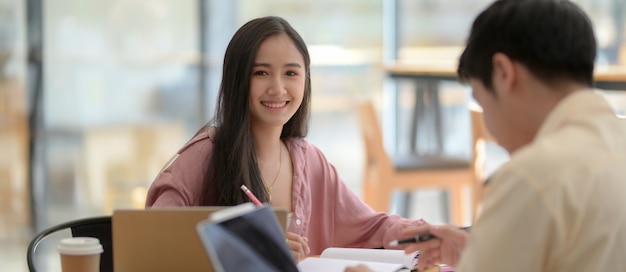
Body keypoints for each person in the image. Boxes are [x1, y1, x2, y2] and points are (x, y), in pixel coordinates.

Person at [346, 0, 626, 271]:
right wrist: (480, 254)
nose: (493, 131)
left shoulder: (533, 175)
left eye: (482, 104)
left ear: (504, 73)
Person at [144, 16, 422, 262]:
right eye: (261, 73)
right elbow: (149, 242)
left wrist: (423, 233)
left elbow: (372, 227)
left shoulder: (308, 160)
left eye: (290, 73)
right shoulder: (203, 156)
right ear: (237, 80)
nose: (277, 88)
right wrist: (244, 252)